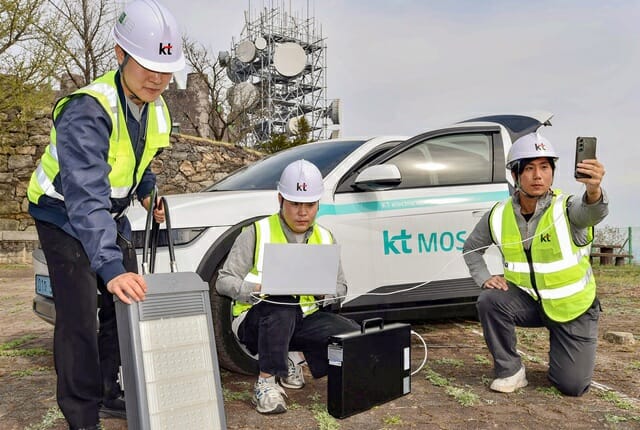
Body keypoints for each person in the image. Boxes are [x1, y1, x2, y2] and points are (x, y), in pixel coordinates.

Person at [26, 1, 184, 428]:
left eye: (165, 69)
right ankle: (82, 416)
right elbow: (85, 195)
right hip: (62, 212)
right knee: (79, 315)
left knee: (124, 303)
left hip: (105, 213)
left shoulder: (155, 107)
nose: (157, 78)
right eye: (148, 64)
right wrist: (109, 267)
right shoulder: (87, 109)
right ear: (120, 53)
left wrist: (148, 194)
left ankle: (109, 391)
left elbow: (137, 160)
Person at [462, 131, 608, 396]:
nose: (538, 176)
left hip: (573, 308)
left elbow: (591, 211)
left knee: (572, 386)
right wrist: (484, 277)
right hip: (530, 303)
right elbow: (471, 248)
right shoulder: (498, 214)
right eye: (529, 168)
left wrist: (594, 190)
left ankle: (564, 351)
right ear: (515, 175)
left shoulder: (567, 208)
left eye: (544, 167)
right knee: (490, 300)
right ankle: (510, 371)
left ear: (552, 172)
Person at [216, 159, 359, 414]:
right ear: (281, 200)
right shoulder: (256, 232)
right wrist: (258, 288)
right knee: (283, 303)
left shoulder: (325, 237)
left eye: (309, 205)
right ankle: (266, 383)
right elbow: (224, 281)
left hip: (301, 320)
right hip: (256, 321)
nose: (302, 212)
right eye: (295, 204)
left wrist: (322, 291)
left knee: (350, 333)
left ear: (318, 204)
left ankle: (293, 357)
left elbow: (341, 287)